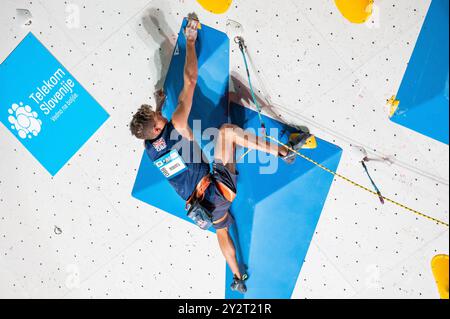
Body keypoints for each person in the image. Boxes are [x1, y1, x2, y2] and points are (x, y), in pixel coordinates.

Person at [130, 13, 312, 294]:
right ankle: (284, 151)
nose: (160, 114)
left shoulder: (149, 146)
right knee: (227, 132)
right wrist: (190, 42)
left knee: (223, 231)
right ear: (157, 125)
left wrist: (159, 101)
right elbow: (189, 81)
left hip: (200, 206)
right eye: (158, 115)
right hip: (216, 188)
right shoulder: (176, 124)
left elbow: (155, 128)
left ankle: (238, 278)